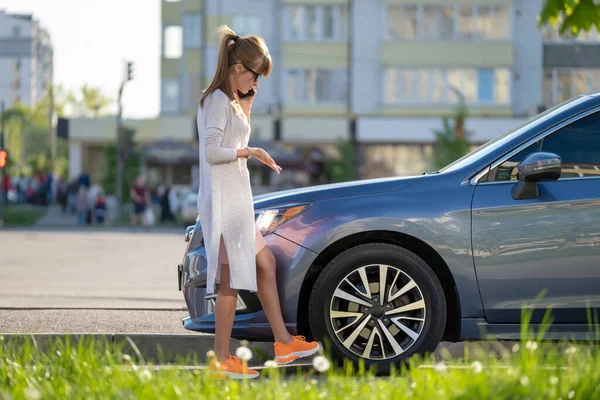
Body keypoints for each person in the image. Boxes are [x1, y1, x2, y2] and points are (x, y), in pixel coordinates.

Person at [197, 26, 319, 380]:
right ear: (238, 68)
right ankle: (221, 359)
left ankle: (283, 342)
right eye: (254, 75)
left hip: (236, 203)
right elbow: (211, 152)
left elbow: (230, 139)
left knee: (265, 264)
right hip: (223, 206)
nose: (256, 82)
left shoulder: (231, 101)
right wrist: (249, 151)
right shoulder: (216, 101)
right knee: (229, 283)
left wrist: (246, 111)